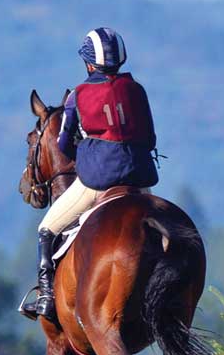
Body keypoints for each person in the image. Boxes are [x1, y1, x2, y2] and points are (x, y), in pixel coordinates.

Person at [23, 27, 159, 320]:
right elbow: (150, 138)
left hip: (99, 180)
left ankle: (46, 297)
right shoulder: (137, 90)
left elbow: (63, 144)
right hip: (139, 179)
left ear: (88, 64)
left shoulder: (77, 96)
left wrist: (87, 154)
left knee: (46, 230)